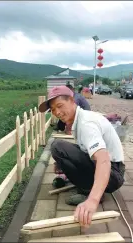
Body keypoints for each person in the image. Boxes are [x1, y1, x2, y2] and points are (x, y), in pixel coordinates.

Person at [39, 86, 125, 227]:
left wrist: (92, 200)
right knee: (63, 150)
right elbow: (86, 151)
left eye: (60, 106)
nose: (57, 112)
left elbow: (103, 160)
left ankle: (89, 192)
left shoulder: (86, 124)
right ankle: (89, 186)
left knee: (57, 146)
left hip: (113, 174)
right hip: (114, 171)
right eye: (53, 110)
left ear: (72, 100)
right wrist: (63, 162)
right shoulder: (80, 119)